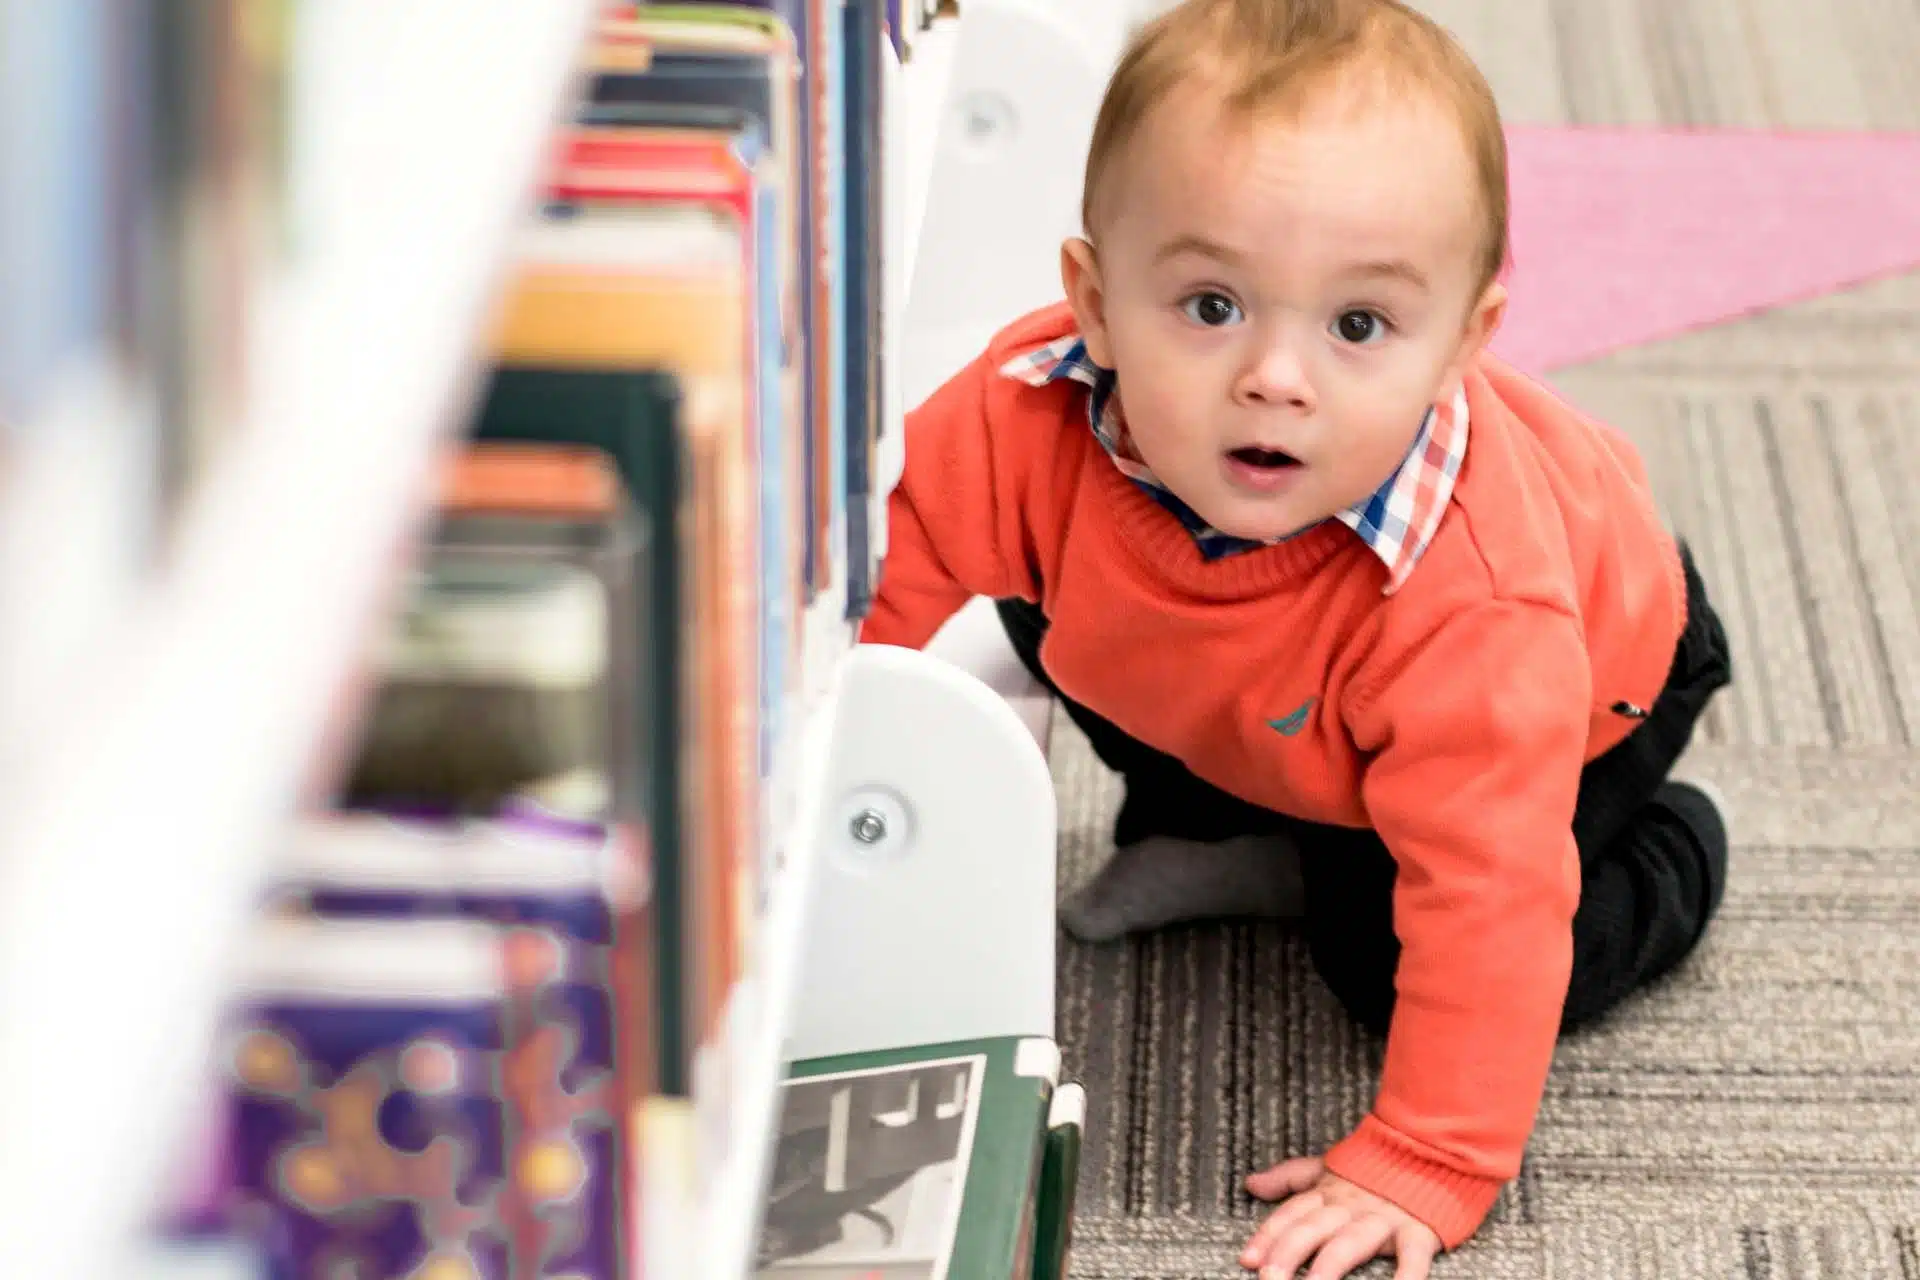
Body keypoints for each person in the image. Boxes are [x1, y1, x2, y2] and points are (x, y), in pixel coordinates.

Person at [857, 0, 1734, 1274]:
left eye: (1358, 326)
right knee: (1040, 596)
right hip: (1279, 694)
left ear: (1461, 346)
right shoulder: (1019, 413)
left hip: (1595, 696)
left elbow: (1489, 898)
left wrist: (1430, 1154)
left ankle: (1676, 853)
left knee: (1383, 952)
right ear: (1094, 302)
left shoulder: (1478, 614)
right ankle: (1230, 827)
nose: (1276, 375)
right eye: (1210, 303)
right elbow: (879, 582)